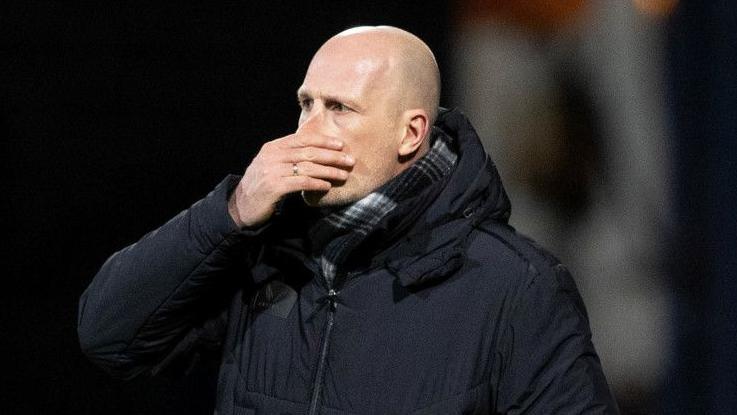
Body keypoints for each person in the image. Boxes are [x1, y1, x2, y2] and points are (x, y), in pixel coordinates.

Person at [78, 26, 619, 414]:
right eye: (305, 104)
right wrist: (233, 212)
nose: (309, 130)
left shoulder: (517, 286)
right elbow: (110, 337)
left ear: (410, 133)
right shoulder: (263, 253)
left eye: (339, 108)